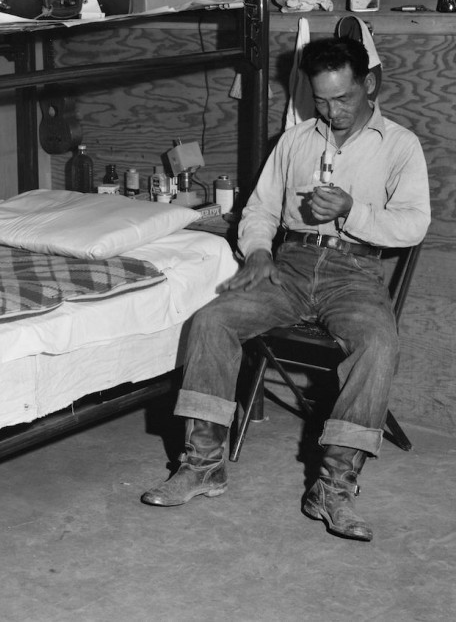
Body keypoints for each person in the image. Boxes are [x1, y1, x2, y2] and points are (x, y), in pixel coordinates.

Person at [140, 36, 431, 541]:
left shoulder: (400, 144)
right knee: (213, 320)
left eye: (343, 98)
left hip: (354, 275)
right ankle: (204, 464)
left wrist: (350, 212)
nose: (332, 110)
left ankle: (334, 487)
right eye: (321, 99)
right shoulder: (295, 142)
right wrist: (257, 251)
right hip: (289, 267)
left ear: (369, 84)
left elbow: (413, 226)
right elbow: (259, 210)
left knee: (378, 343)